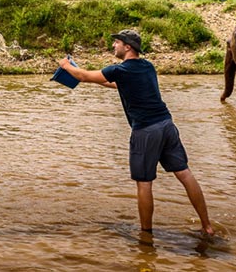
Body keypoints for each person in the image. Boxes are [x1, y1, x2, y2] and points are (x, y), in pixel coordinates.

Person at [58, 29, 215, 236]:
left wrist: (66, 65)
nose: (113, 46)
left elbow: (83, 76)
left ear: (128, 46)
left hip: (145, 131)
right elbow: (119, 84)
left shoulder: (119, 70)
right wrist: (100, 82)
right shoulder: (147, 67)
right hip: (167, 125)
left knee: (144, 183)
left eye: (117, 43)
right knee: (185, 174)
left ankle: (146, 236)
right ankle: (207, 226)